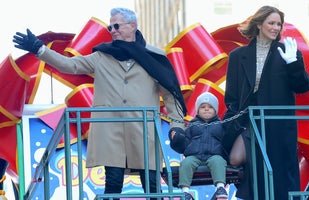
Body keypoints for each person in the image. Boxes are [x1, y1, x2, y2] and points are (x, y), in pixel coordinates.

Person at [13, 7, 187, 199]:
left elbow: (171, 94)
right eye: (110, 27)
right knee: (112, 184)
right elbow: (70, 65)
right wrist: (40, 49)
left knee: (152, 186)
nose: (113, 30)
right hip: (110, 131)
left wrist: (177, 126)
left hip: (143, 131)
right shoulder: (102, 56)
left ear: (132, 26)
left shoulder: (154, 56)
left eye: (117, 25)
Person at [223, 5, 309, 200]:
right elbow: (231, 98)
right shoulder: (237, 57)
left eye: (279, 24)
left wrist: (294, 65)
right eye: (271, 23)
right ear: (258, 24)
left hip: (278, 127)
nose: (276, 28)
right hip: (249, 124)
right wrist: (233, 126)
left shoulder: (287, 52)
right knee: (238, 160)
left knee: (279, 179)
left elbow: (304, 86)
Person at [169, 92, 228, 200]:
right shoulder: (192, 124)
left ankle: (220, 187)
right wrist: (178, 139)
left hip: (213, 155)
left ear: (215, 110)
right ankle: (185, 192)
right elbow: (185, 142)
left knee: (218, 161)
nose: (206, 109)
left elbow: (226, 141)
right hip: (195, 156)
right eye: (203, 107)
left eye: (210, 107)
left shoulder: (221, 125)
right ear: (198, 110)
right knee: (186, 163)